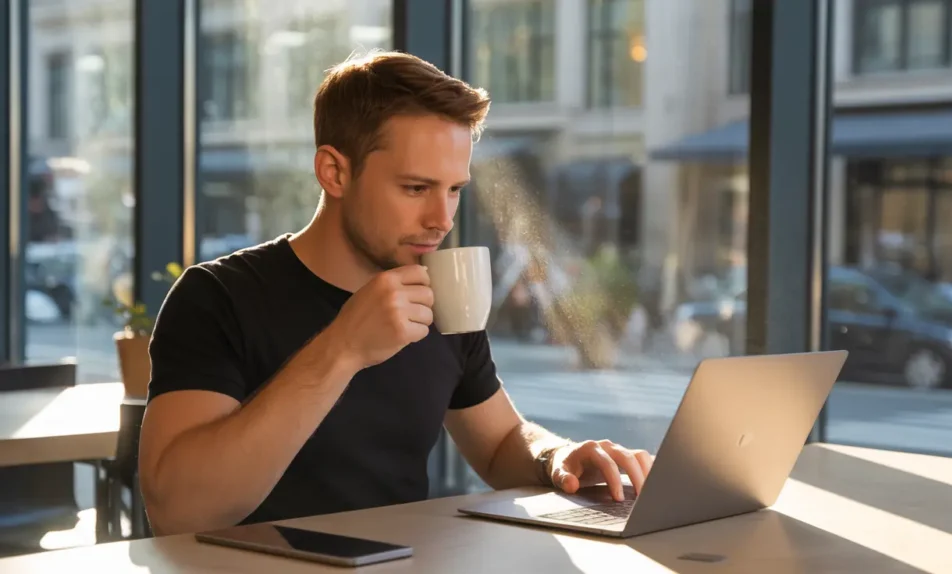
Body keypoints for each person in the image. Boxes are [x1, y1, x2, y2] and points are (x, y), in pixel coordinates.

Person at [138, 50, 653, 536]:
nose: (442, 219)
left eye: (454, 189)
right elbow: (178, 511)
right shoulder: (217, 297)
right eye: (415, 188)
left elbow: (498, 444)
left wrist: (555, 458)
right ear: (334, 172)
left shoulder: (441, 291)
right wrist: (341, 348)